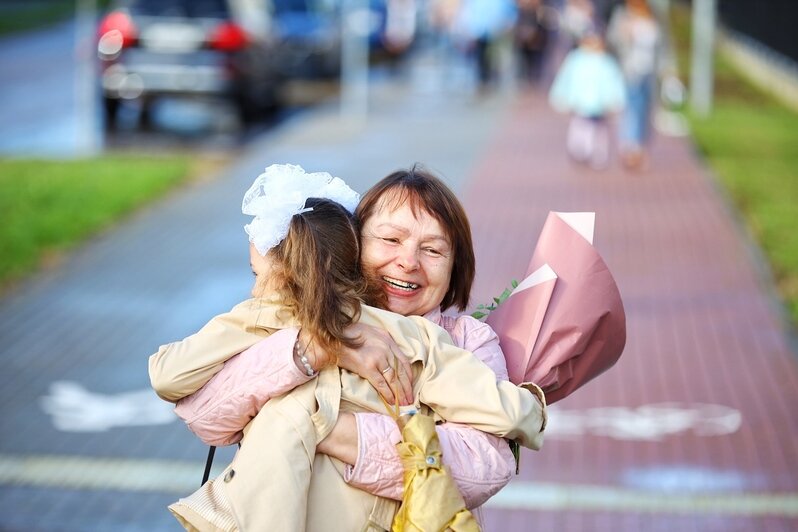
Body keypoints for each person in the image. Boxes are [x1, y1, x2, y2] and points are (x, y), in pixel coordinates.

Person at [149, 164, 548, 530]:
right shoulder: (289, 320)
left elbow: (483, 467)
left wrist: (316, 422)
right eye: (390, 239)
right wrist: (316, 350)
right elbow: (207, 418)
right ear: (353, 246)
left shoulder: (464, 340)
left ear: (455, 265)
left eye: (433, 249)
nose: (408, 261)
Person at [549, 29, 626, 170]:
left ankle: (599, 156)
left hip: (600, 104)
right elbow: (564, 79)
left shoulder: (607, 62)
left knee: (600, 130)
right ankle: (580, 151)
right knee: (580, 126)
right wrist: (560, 97)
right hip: (580, 102)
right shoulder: (575, 60)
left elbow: (615, 82)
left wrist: (616, 100)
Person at [606, 0, 670, 170]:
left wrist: (668, 69)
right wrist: (624, 33)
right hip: (631, 70)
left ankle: (641, 146)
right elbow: (612, 40)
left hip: (650, 71)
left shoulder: (654, 17)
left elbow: (664, 46)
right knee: (632, 109)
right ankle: (630, 148)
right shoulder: (622, 16)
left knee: (646, 111)